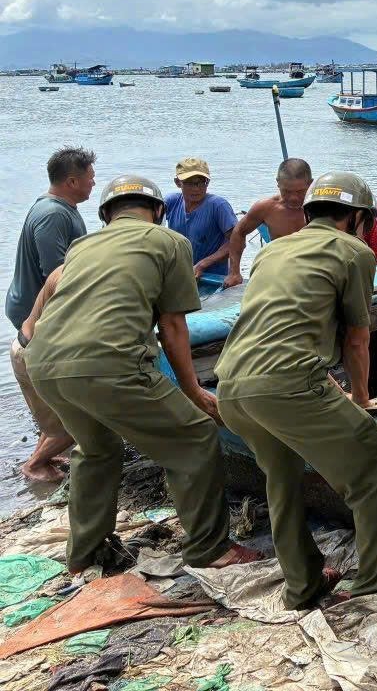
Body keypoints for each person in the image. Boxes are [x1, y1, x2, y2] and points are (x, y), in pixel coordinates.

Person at [22, 175, 256, 572]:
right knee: (195, 438)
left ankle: (84, 554)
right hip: (110, 364)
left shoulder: (81, 247)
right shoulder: (169, 242)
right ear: (159, 212)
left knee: (96, 451)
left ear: (105, 215)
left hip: (44, 364)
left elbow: (35, 324)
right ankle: (210, 549)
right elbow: (173, 326)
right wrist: (193, 390)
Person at [215, 172, 377, 610]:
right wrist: (361, 400)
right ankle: (373, 585)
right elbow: (357, 339)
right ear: (358, 218)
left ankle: (302, 584)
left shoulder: (273, 249)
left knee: (280, 477)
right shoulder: (355, 252)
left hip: (232, 386)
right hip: (288, 383)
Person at [6, 147, 96, 483]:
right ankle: (39, 461)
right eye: (89, 176)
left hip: (32, 316)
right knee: (69, 403)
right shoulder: (53, 215)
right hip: (37, 314)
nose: (93, 182)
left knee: (52, 402)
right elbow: (56, 275)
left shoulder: (63, 209)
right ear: (72, 180)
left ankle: (52, 448)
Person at [222, 158, 313, 288]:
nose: (294, 198)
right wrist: (234, 272)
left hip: (313, 273)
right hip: (279, 273)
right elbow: (239, 232)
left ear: (310, 184)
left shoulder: (323, 208)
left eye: (300, 192)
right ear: (278, 183)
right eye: (286, 191)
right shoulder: (266, 208)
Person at [165, 158, 238, 279]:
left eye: (201, 182)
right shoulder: (171, 202)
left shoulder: (218, 206)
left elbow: (237, 241)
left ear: (207, 182)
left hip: (212, 278)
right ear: (178, 183)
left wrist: (202, 265)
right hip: (181, 275)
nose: (196, 189)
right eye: (189, 183)